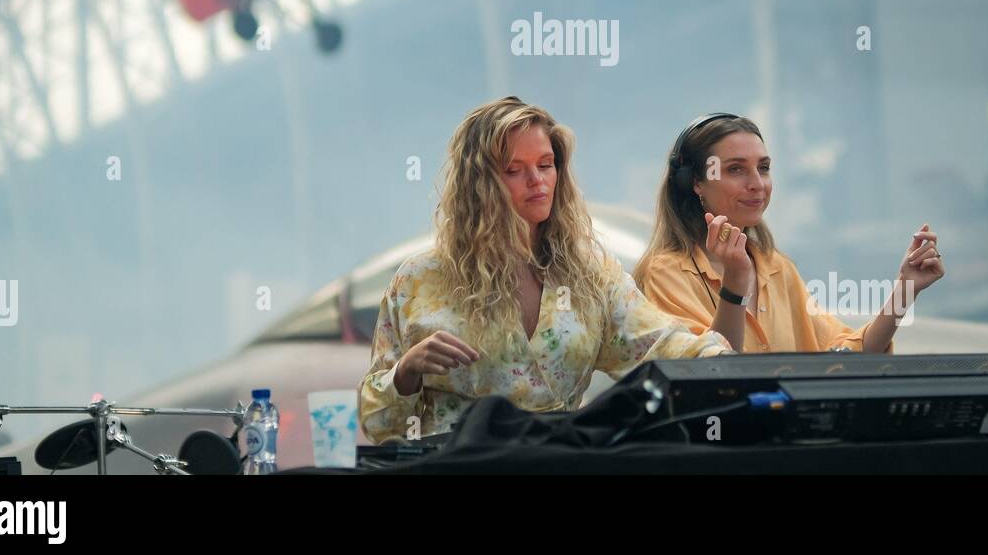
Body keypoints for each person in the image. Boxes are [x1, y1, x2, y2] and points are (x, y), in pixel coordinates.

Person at [359, 97, 732, 442]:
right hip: (456, 467)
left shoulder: (590, 274)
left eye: (545, 164)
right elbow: (379, 426)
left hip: (559, 462)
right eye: (513, 170)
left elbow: (662, 345)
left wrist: (731, 366)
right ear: (479, 184)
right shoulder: (420, 279)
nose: (537, 181)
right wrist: (406, 372)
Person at [634, 113, 944, 353]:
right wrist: (736, 282)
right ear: (694, 183)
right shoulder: (666, 273)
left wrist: (906, 291)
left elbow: (843, 358)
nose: (758, 183)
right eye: (736, 169)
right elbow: (710, 374)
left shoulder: (777, 268)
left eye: (764, 167)